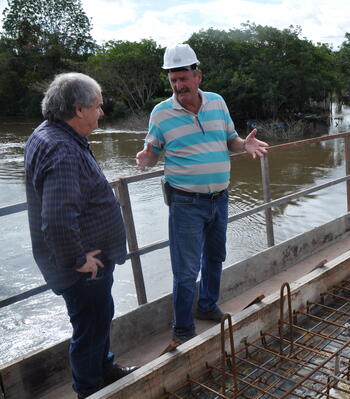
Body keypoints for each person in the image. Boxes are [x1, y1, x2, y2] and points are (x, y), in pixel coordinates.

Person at [136, 44, 268, 345]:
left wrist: (243, 146)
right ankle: (183, 330)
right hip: (185, 202)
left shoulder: (218, 103)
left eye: (184, 78)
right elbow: (153, 152)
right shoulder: (160, 113)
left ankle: (207, 306)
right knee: (185, 271)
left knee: (215, 257)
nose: (179, 86)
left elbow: (231, 140)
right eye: (173, 80)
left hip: (219, 198)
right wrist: (146, 157)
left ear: (198, 76)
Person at [24, 72, 137, 398]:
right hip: (86, 265)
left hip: (89, 260)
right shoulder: (63, 150)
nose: (102, 113)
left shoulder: (47, 135)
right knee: (89, 329)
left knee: (98, 320)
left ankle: (105, 371)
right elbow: (57, 219)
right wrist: (78, 260)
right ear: (78, 110)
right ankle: (91, 391)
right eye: (98, 107)